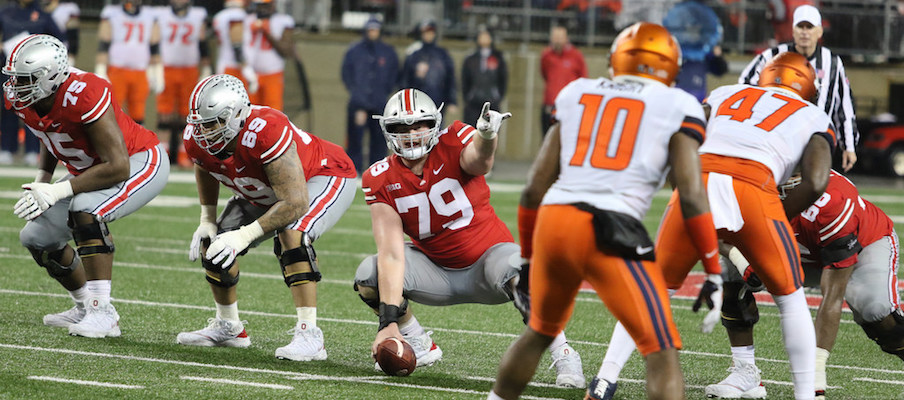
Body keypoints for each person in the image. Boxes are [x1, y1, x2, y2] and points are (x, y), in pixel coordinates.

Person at [490, 22, 718, 400]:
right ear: (670, 66)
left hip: (555, 219)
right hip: (610, 227)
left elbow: (533, 189)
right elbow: (691, 196)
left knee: (540, 331)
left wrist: (529, 259)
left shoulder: (579, 91)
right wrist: (712, 268)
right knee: (661, 350)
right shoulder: (679, 104)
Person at [590, 52, 834, 400]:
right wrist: (776, 216)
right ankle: (805, 395)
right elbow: (816, 180)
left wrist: (684, 194)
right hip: (753, 187)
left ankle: (604, 379)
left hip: (699, 180)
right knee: (791, 299)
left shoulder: (725, 92)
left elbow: (680, 142)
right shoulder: (814, 115)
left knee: (653, 290)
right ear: (808, 88)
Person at [354, 88, 585, 388]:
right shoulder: (379, 177)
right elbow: (391, 253)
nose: (410, 134)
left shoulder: (455, 139)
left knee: (524, 273)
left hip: (490, 262)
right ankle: (416, 339)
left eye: (418, 125)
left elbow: (479, 161)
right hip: (437, 272)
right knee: (368, 274)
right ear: (387, 131)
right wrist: (387, 324)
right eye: (401, 127)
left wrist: (487, 137)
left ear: (434, 124)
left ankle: (564, 352)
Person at [176, 74, 357, 361]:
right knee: (214, 245)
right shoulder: (196, 139)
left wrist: (245, 234)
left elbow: (295, 202)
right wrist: (207, 218)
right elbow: (204, 165)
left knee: (292, 233)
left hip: (322, 175)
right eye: (200, 125)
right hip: (269, 191)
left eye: (212, 124)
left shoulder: (265, 129)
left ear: (236, 114)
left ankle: (310, 334)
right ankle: (229, 326)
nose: (203, 133)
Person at [8, 34, 169, 338]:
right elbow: (49, 133)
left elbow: (118, 166)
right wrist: (42, 183)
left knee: (86, 210)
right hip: (95, 168)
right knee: (37, 237)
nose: (16, 86)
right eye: (15, 78)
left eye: (25, 79)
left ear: (51, 77)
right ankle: (84, 305)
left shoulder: (85, 93)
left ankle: (102, 312)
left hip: (139, 160)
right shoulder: (27, 99)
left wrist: (57, 190)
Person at [707, 170, 903, 399]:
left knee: (876, 311)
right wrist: (741, 261)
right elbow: (712, 229)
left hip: (862, 247)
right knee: (727, 272)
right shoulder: (744, 182)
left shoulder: (833, 201)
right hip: (796, 252)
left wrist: (815, 371)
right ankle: (744, 371)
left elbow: (833, 294)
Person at [739, 5, 859, 172]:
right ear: (793, 30)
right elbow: (744, 86)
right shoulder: (773, 56)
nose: (805, 32)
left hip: (816, 140)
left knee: (812, 189)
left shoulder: (832, 63)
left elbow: (844, 106)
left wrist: (849, 146)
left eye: (809, 27)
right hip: (777, 139)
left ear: (819, 31)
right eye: (800, 27)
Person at [0, 0, 64, 166]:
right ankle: (7, 148)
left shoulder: (43, 14)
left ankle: (33, 150)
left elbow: (59, 40)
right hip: (9, 67)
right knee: (8, 107)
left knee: (33, 109)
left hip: (35, 71)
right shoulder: (5, 12)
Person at [154, 0, 210, 167]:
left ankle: (184, 154)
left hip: (189, 70)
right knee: (164, 114)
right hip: (167, 69)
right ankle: (163, 154)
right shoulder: (161, 15)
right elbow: (155, 43)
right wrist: (155, 68)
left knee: (187, 114)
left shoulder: (198, 15)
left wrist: (206, 68)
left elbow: (202, 44)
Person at [340, 15, 398, 175]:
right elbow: (347, 76)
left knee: (379, 142)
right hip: (358, 103)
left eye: (375, 30)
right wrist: (359, 102)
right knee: (355, 141)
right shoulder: (354, 51)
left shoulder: (388, 52)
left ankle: (377, 172)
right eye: (370, 29)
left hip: (379, 104)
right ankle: (354, 171)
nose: (373, 33)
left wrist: (382, 93)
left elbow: (393, 77)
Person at [95, 0, 163, 125]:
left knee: (138, 112)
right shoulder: (112, 13)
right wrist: (100, 69)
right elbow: (104, 43)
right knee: (112, 109)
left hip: (141, 70)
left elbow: (155, 47)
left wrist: (157, 70)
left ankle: (135, 143)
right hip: (117, 69)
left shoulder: (150, 15)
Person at [664, 0, 728, 102]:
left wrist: (717, 56)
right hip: (676, 100)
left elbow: (720, 69)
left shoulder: (704, 49)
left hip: (694, 100)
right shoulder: (670, 49)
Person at [400, 20, 458, 118]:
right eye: (425, 33)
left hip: (438, 101)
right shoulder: (414, 55)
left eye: (430, 32)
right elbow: (406, 79)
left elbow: (450, 78)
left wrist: (452, 100)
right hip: (417, 102)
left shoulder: (442, 54)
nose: (428, 35)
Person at [246, 0, 295, 111]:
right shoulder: (248, 20)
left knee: (273, 113)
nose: (263, 9)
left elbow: (286, 51)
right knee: (248, 113)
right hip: (251, 75)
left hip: (272, 74)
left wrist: (267, 32)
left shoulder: (283, 21)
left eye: (266, 5)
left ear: (273, 4)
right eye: (260, 5)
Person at [539, 25, 586, 136]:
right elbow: (544, 74)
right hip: (550, 104)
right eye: (555, 37)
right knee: (547, 138)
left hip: (569, 106)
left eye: (560, 37)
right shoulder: (546, 56)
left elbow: (583, 79)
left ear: (566, 38)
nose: (558, 40)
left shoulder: (576, 56)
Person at [461, 25, 508, 130]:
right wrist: (469, 96)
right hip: (473, 104)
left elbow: (503, 79)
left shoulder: (498, 58)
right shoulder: (470, 59)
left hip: (492, 103)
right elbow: (465, 80)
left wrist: (497, 96)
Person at [211, 0, 258, 94]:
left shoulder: (219, 15)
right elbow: (236, 44)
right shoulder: (237, 15)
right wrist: (246, 69)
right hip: (235, 69)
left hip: (224, 64)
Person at [41, 0, 79, 68]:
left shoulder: (70, 7)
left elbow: (73, 33)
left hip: (61, 42)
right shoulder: (39, 5)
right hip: (43, 42)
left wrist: (71, 53)